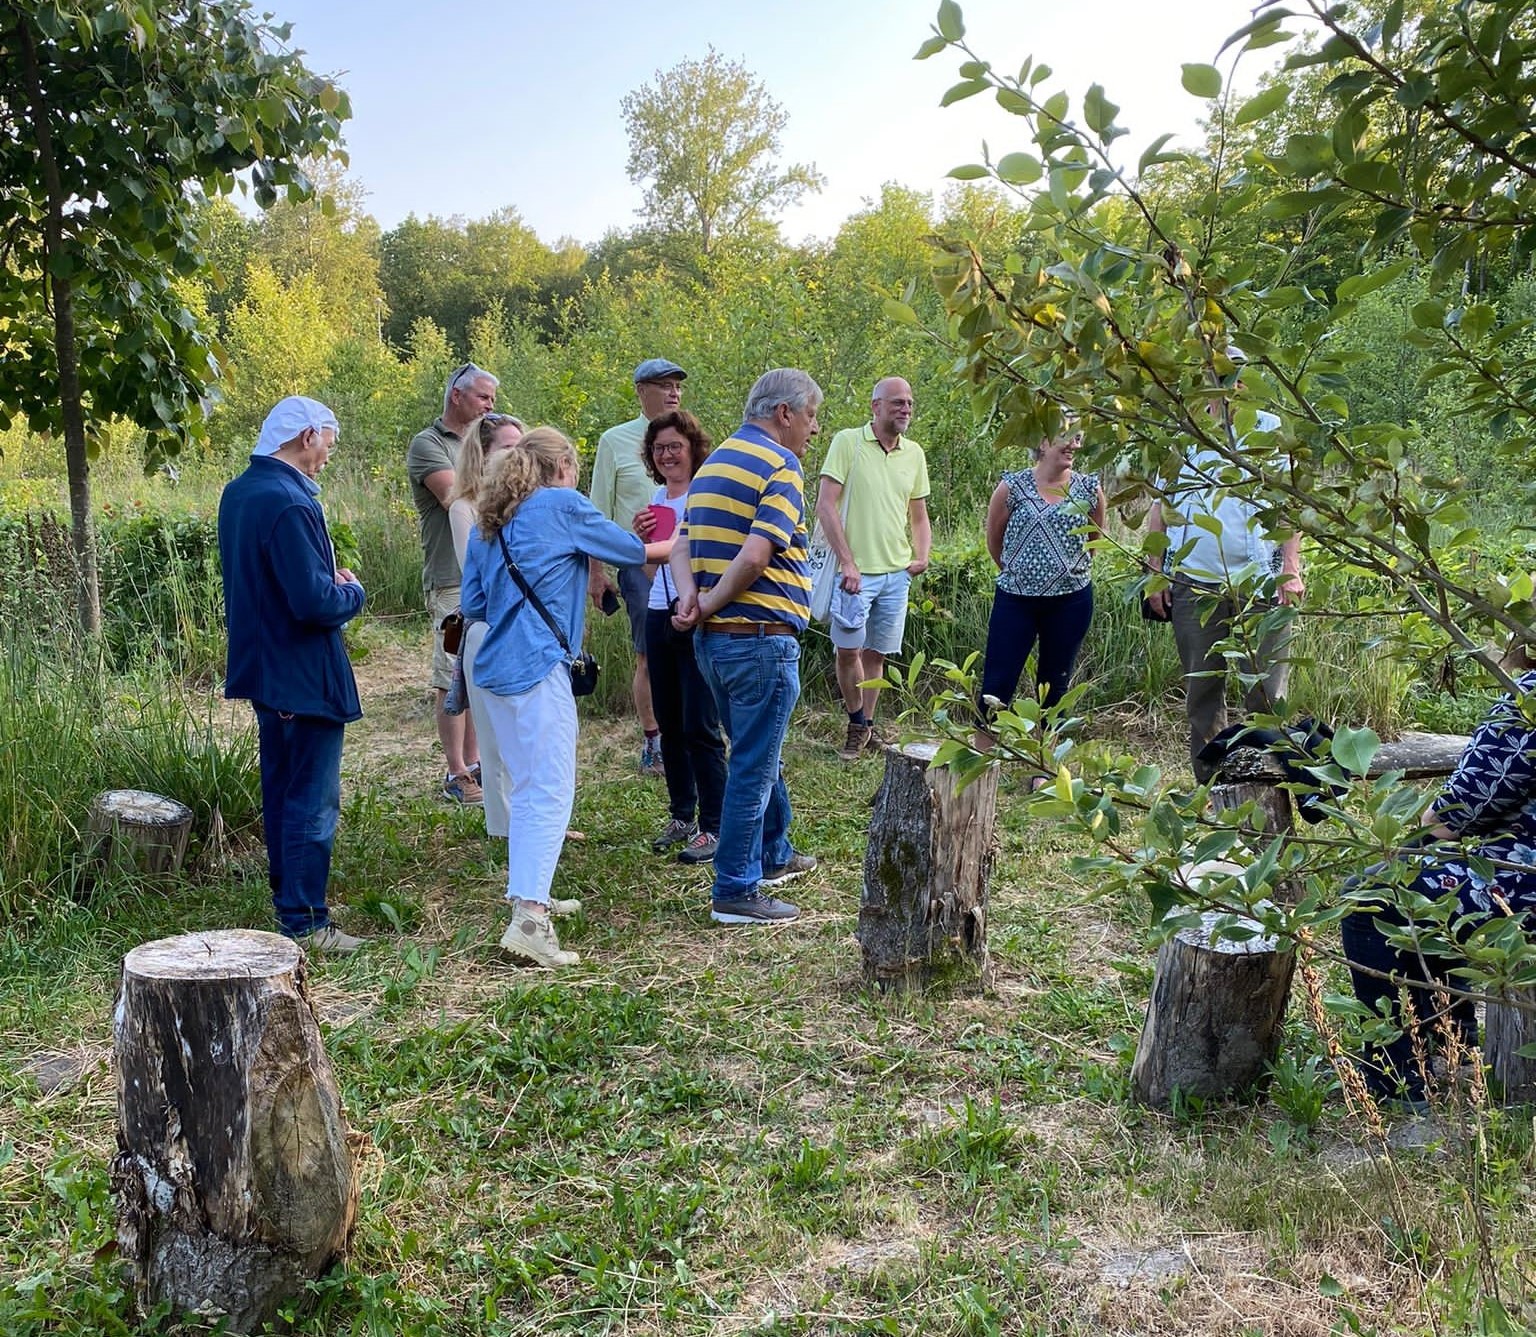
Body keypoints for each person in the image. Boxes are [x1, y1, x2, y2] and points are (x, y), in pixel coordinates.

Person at [461, 427, 670, 967]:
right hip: (537, 666)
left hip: (494, 667)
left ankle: (532, 891)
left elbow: (475, 602)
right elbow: (632, 551)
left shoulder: (491, 521)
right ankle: (530, 918)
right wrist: (686, 538)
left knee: (527, 785)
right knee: (550, 789)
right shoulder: (561, 504)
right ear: (563, 467)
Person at [669, 368, 822, 925]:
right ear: (784, 413)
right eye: (810, 416)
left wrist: (692, 601)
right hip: (758, 639)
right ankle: (736, 887)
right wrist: (705, 605)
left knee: (760, 749)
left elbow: (682, 544)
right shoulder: (781, 465)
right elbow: (757, 557)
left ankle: (775, 851)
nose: (812, 428)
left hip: (715, 645)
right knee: (754, 765)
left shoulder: (713, 465)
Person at [1342, 666, 1536, 1103]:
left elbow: (1467, 804)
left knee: (1371, 900)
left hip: (1524, 882)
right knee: (1441, 878)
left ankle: (1393, 1074)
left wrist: (1420, 831)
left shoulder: (1529, 698)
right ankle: (1455, 1031)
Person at [217, 396, 367, 954]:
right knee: (310, 796)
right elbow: (313, 601)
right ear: (307, 436)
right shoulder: (287, 499)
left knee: (282, 787)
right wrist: (350, 590)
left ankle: (290, 899)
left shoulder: (241, 492)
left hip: (264, 663)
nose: (329, 452)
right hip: (301, 669)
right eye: (328, 440)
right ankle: (305, 920)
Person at [1145, 349, 1304, 782]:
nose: (1227, 383)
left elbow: (1288, 509)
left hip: (1261, 585)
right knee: (1203, 692)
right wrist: (1155, 570)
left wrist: (1291, 565)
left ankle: (1267, 785)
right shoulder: (1183, 438)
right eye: (1217, 374)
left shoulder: (1270, 434)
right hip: (1195, 584)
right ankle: (1213, 789)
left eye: (1234, 374)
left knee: (1267, 695)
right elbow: (1161, 508)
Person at [816, 376, 932, 761]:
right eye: (897, 402)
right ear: (875, 406)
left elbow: (918, 514)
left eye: (910, 404)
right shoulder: (847, 442)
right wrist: (847, 562)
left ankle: (866, 725)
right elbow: (825, 505)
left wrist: (922, 555)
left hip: (896, 573)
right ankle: (856, 722)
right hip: (854, 574)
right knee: (848, 650)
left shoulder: (913, 453)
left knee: (877, 653)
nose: (905, 410)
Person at [975, 427, 1107, 755]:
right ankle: (979, 762)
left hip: (1070, 602)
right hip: (1016, 601)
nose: (1075, 443)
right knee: (997, 682)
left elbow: (1094, 542)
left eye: (1079, 435)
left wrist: (1063, 573)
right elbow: (995, 541)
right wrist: (1022, 574)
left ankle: (1044, 766)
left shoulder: (1089, 489)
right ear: (1043, 441)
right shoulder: (1012, 487)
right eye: (1067, 436)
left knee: (1055, 686)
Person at [633, 411, 727, 864]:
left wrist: (641, 548)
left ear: (693, 449)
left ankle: (715, 823)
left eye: (675, 446)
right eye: (659, 448)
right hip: (659, 612)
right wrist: (642, 543)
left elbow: (696, 556)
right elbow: (655, 571)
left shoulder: (704, 494)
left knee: (699, 724)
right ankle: (680, 813)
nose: (667, 455)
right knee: (669, 720)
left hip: (696, 614)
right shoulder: (656, 499)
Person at [589, 357, 688, 777]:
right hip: (637, 565)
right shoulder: (615, 441)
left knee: (691, 651)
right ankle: (654, 742)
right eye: (664, 385)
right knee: (649, 654)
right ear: (640, 391)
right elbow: (596, 512)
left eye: (677, 386)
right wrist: (596, 572)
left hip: (688, 560)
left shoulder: (688, 439)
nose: (673, 393)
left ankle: (690, 733)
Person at [407, 362, 497, 805]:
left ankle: (475, 762)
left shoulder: (483, 441)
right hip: (451, 578)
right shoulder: (428, 444)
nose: (490, 405)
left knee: (478, 666)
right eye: (483, 397)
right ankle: (455, 771)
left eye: (492, 399)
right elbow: (455, 496)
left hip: (487, 575)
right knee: (451, 671)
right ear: (457, 396)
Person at [448, 412, 526, 839]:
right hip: (490, 627)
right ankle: (504, 827)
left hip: (527, 630)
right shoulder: (465, 509)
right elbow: (475, 574)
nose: (519, 454)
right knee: (495, 736)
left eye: (522, 445)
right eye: (508, 447)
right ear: (485, 454)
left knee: (528, 733)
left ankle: (532, 822)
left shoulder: (529, 503)